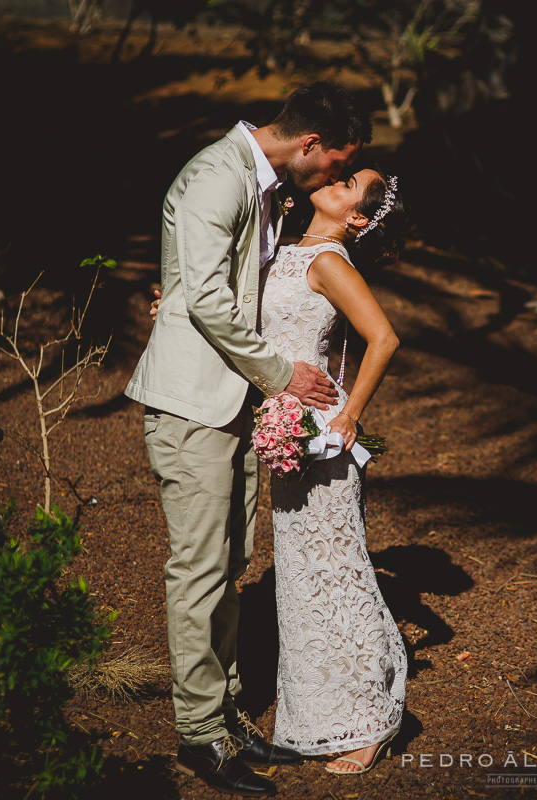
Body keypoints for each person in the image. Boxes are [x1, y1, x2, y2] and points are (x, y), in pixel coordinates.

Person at [125, 81, 372, 798]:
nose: (332, 180)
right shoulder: (216, 176)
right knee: (201, 569)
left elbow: (213, 284)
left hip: (232, 402)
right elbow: (204, 297)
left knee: (229, 562)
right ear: (310, 144)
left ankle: (228, 713)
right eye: (333, 166)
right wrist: (281, 374)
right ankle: (200, 733)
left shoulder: (264, 188)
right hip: (194, 404)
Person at [261, 169, 407, 776]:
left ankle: (369, 721)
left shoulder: (329, 260)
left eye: (352, 184)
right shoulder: (285, 248)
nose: (338, 180)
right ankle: (317, 716)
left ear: (358, 219)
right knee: (300, 580)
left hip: (319, 438)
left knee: (338, 574)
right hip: (282, 433)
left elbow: (384, 337)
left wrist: (350, 414)